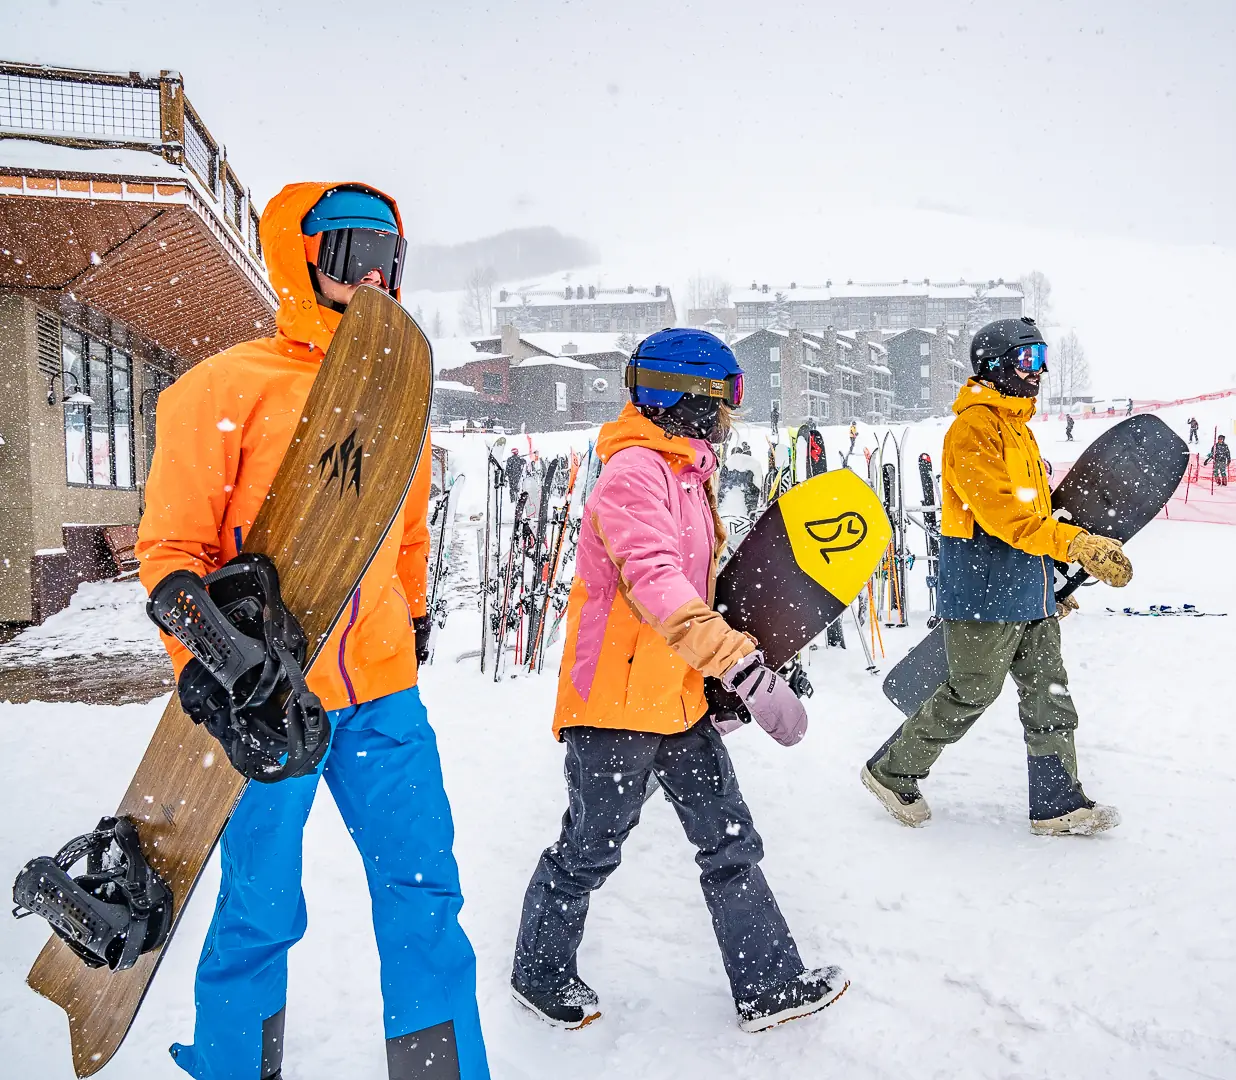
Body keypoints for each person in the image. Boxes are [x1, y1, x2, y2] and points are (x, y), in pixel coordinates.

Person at [136, 183, 489, 1079]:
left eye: (387, 255)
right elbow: (170, 557)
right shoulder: (221, 388)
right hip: (271, 709)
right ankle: (231, 1064)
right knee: (258, 909)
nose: (371, 273)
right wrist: (220, 667)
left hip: (383, 706)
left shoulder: (396, 394)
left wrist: (407, 623)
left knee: (425, 897)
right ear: (299, 256)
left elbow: (403, 535)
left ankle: (440, 1070)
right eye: (346, 251)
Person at [511, 328, 847, 1034]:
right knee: (590, 846)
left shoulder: (683, 475)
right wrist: (743, 670)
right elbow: (657, 584)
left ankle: (767, 984)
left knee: (728, 838)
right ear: (687, 399)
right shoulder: (634, 472)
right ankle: (537, 971)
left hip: (677, 699)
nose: (728, 417)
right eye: (723, 400)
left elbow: (703, 592)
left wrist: (717, 683)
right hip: (613, 705)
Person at [860, 317, 1129, 837]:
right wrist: (1075, 545)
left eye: (1041, 358)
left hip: (1026, 583)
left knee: (1049, 692)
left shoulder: (1019, 429)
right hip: (985, 584)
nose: (1040, 371)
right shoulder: (973, 429)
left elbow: (1035, 516)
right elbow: (1004, 515)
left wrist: (1047, 579)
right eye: (1028, 359)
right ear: (995, 364)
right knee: (972, 690)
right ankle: (892, 771)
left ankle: (1057, 803)